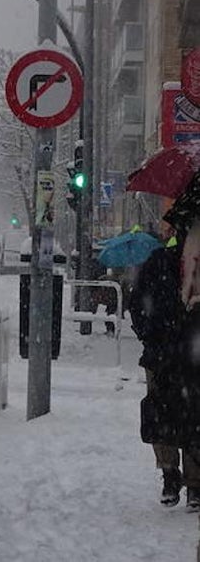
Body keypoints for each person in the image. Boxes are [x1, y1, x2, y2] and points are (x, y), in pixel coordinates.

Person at [130, 206, 200, 511]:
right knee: (189, 415)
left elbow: (138, 304)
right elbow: (139, 305)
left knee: (165, 413)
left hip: (167, 353)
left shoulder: (158, 262)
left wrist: (152, 336)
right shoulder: (167, 263)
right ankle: (191, 484)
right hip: (184, 353)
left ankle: (173, 476)